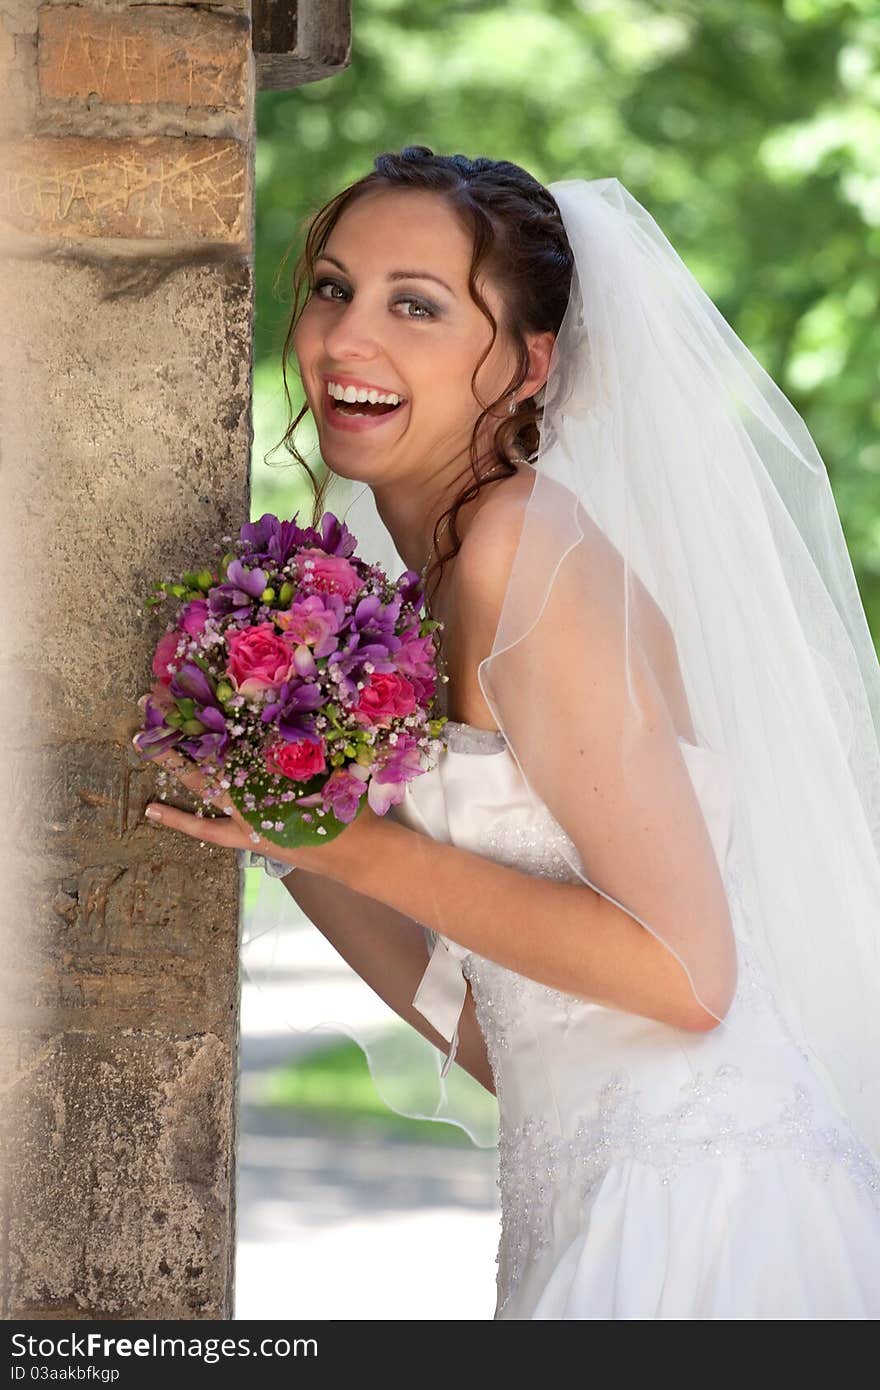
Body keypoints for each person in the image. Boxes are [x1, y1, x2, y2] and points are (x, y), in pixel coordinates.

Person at [144, 147, 880, 1319]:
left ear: (529, 365)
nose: (345, 341)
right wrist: (280, 824)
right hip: (576, 1191)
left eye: (417, 307)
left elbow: (688, 977)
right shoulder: (421, 579)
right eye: (332, 288)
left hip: (697, 1218)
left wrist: (357, 848)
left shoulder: (523, 555)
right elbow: (506, 1037)